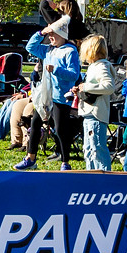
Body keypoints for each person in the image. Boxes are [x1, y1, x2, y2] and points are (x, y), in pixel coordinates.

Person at [16, 16, 81, 171]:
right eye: (50, 35)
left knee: (60, 128)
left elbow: (74, 75)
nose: (51, 37)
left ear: (63, 35)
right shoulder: (48, 50)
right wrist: (41, 32)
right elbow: (30, 47)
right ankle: (30, 157)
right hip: (45, 96)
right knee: (35, 123)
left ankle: (65, 161)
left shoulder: (70, 51)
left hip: (60, 97)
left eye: (54, 34)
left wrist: (56, 70)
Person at [75, 32, 119, 170]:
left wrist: (86, 87)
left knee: (97, 148)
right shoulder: (94, 66)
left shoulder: (101, 66)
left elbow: (109, 86)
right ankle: (92, 175)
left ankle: (104, 176)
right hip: (89, 113)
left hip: (96, 114)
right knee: (88, 149)